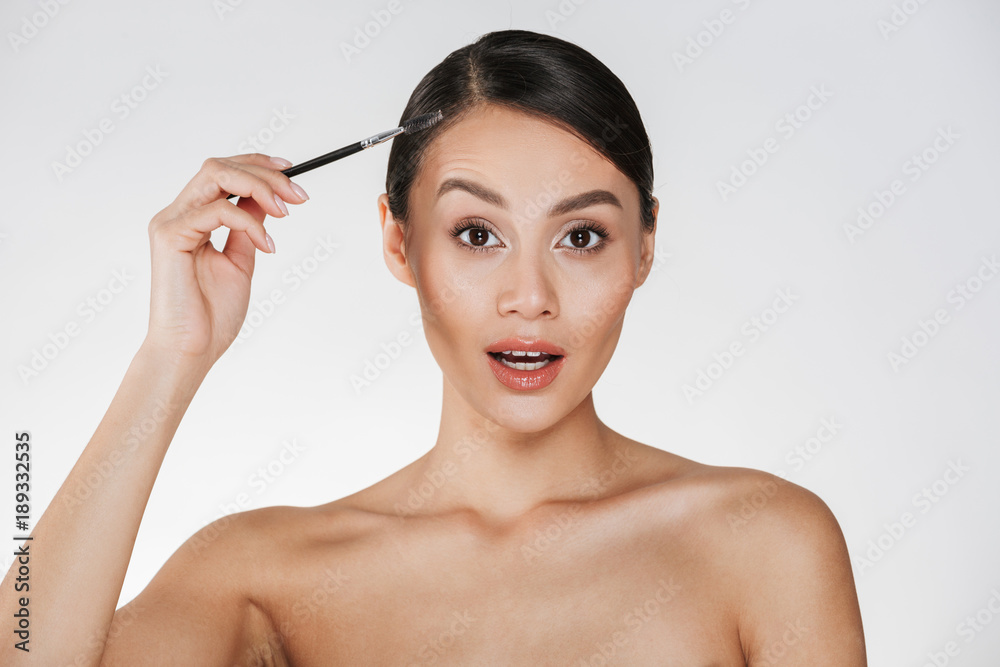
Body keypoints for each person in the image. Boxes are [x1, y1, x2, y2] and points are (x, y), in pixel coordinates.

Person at [0, 29, 866, 665]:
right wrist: (168, 360)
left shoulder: (764, 543)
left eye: (582, 237)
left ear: (644, 246)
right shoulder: (259, 572)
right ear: (400, 242)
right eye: (478, 232)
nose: (530, 296)